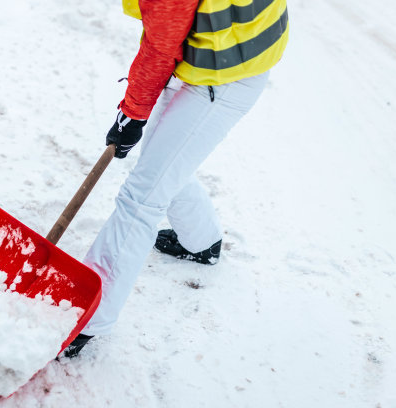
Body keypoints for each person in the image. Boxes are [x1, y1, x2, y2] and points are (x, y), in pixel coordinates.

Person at [65, 0, 289, 357]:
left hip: (223, 72)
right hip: (232, 48)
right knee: (162, 164)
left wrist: (133, 114)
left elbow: (161, 45)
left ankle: (85, 316)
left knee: (141, 199)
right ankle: (201, 241)